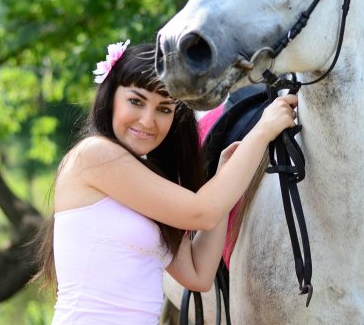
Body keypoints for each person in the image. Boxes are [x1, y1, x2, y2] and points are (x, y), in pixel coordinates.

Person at [35, 41, 297, 324]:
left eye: (164, 109)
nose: (148, 121)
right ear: (110, 98)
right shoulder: (94, 155)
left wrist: (225, 172)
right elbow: (202, 212)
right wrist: (262, 131)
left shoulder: (145, 180)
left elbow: (198, 274)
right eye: (136, 101)